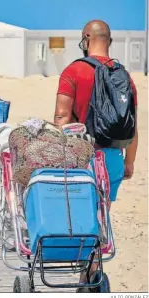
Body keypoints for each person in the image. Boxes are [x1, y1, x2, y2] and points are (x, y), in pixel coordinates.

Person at [53, 20, 138, 287]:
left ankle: (84, 269)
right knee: (102, 214)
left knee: (79, 214)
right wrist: (130, 162)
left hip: (83, 155)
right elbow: (132, 126)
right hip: (113, 158)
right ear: (109, 40)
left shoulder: (73, 71)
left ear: (85, 38)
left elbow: (61, 118)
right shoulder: (124, 76)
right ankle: (89, 271)